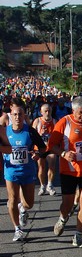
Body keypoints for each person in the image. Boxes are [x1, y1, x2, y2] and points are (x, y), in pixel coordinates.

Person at [48, 96, 82, 248]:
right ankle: (63, 219)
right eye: (81, 113)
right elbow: (51, 145)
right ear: (73, 110)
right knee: (68, 204)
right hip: (69, 171)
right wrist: (64, 154)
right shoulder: (64, 122)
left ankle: (78, 234)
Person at [3, 100, 46, 241]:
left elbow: (42, 148)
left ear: (24, 115)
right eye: (14, 114)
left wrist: (37, 154)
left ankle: (23, 209)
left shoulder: (30, 131)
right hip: (11, 172)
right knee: (12, 199)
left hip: (27, 172)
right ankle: (17, 229)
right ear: (11, 115)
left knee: (29, 203)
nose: (17, 117)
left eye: (20, 114)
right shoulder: (5, 132)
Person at [32, 102, 57, 196]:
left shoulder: (54, 121)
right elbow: (32, 134)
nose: (47, 113)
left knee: (52, 165)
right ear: (41, 112)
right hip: (40, 148)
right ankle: (42, 185)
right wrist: (39, 135)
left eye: (49, 111)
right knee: (41, 167)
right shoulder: (37, 121)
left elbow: (59, 135)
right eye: (45, 111)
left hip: (50, 148)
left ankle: (50, 185)